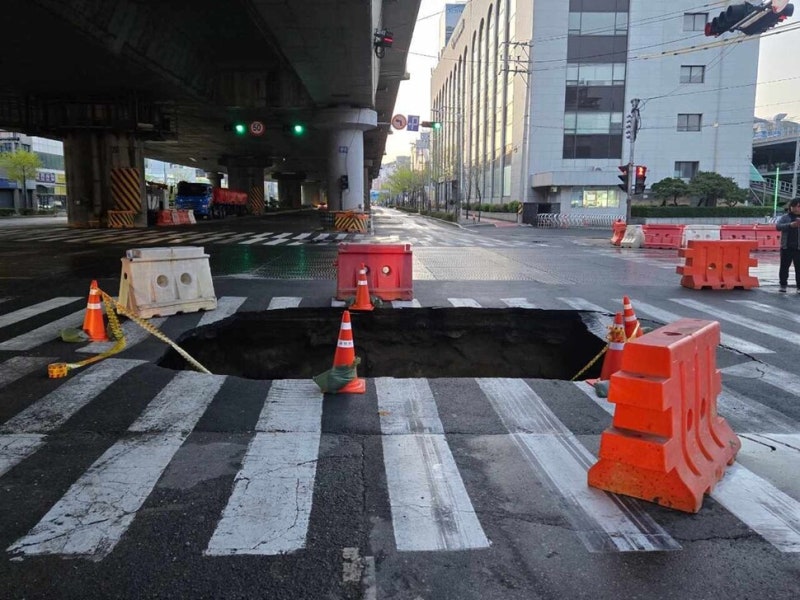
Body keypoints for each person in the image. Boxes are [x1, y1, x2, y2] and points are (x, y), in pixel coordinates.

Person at [776, 197, 800, 292]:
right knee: (784, 267)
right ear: (792, 207)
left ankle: (799, 287)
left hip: (798, 248)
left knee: (799, 268)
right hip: (786, 247)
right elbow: (778, 227)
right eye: (798, 206)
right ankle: (783, 285)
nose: (798, 208)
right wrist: (790, 225)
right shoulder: (786, 217)